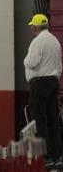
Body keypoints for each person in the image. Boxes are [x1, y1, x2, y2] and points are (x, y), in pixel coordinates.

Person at [23, 14, 62, 162]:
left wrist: (25, 60)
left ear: (35, 27)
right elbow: (59, 65)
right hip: (53, 83)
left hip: (39, 84)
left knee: (39, 120)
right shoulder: (55, 41)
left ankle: (44, 156)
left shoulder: (38, 41)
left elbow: (31, 62)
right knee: (52, 119)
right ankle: (56, 155)